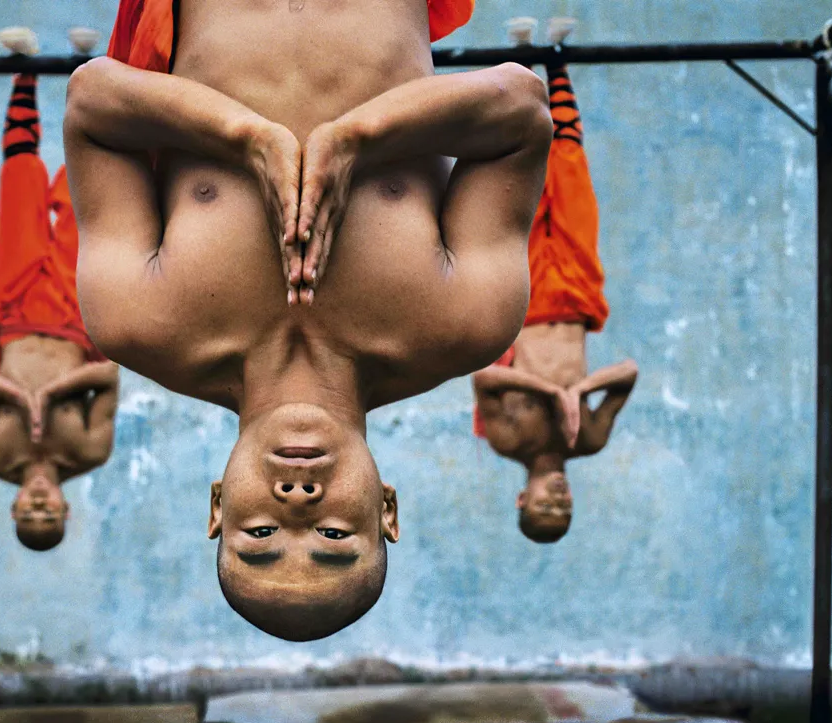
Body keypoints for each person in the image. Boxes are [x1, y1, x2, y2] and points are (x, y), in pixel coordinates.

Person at [62, 0, 551, 640]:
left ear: (217, 505)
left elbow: (92, 103)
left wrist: (246, 136)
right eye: (333, 535)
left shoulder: (138, 321)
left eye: (260, 534)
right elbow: (521, 108)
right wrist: (358, 139)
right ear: (387, 511)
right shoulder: (466, 322)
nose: (297, 503)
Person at [471, 17, 638, 545]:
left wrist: (549, 390)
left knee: (518, 181)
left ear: (523, 498)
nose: (559, 498)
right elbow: (629, 373)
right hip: (576, 294)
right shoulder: (587, 438)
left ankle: (518, 61)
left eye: (546, 505)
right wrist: (580, 391)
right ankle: (557, 58)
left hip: (521, 294)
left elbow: (484, 381)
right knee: (568, 174)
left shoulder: (507, 440)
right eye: (565, 508)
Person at [0, 29, 119, 552]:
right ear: (66, 508)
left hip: (14, 312)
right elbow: (110, 376)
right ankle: (84, 69)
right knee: (80, 197)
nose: (41, 505)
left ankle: (22, 73)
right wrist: (50, 395)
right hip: (75, 314)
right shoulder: (90, 451)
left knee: (20, 192)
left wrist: (18, 397)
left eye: (31, 513)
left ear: (16, 506)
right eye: (50, 515)